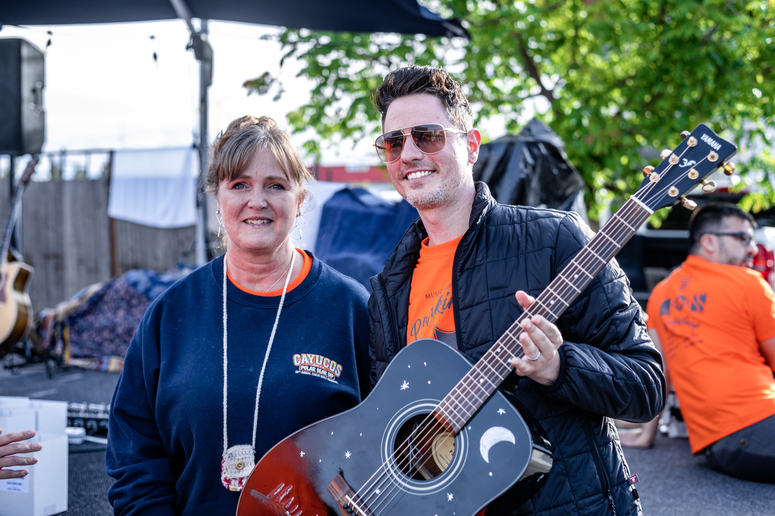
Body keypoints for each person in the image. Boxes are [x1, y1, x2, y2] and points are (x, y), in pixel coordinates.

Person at [368, 66, 665, 515]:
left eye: (427, 135)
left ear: (470, 146)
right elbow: (393, 427)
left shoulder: (554, 239)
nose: (408, 153)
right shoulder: (390, 286)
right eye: (394, 142)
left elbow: (646, 384)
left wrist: (559, 366)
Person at [106, 115, 371, 515]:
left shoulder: (351, 309)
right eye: (240, 185)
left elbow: (387, 447)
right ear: (218, 200)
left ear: (299, 201)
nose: (257, 201)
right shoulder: (171, 313)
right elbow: (135, 452)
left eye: (276, 186)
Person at [622, 203, 775, 483]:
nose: (753, 249)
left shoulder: (661, 293)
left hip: (718, 447)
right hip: (759, 420)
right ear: (708, 242)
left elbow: (660, 372)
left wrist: (647, 435)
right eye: (743, 238)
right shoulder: (749, 283)